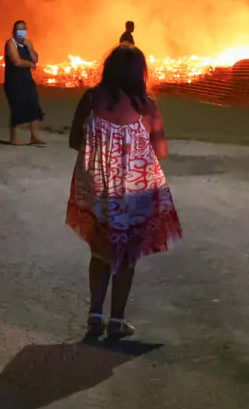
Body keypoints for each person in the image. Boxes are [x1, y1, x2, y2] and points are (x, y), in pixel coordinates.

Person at [68, 44, 181, 342]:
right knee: (126, 254)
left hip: (98, 187)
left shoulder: (92, 98)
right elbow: (160, 149)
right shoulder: (147, 104)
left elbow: (73, 140)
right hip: (134, 189)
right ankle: (116, 319)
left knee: (99, 248)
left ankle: (95, 315)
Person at [3, 19, 45, 145]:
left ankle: (34, 136)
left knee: (33, 105)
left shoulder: (28, 43)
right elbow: (16, 61)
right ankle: (13, 137)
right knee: (17, 107)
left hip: (27, 80)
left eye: (23, 29)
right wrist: (29, 64)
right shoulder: (10, 43)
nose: (21, 32)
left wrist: (29, 47)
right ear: (14, 31)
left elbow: (36, 58)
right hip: (13, 81)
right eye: (19, 29)